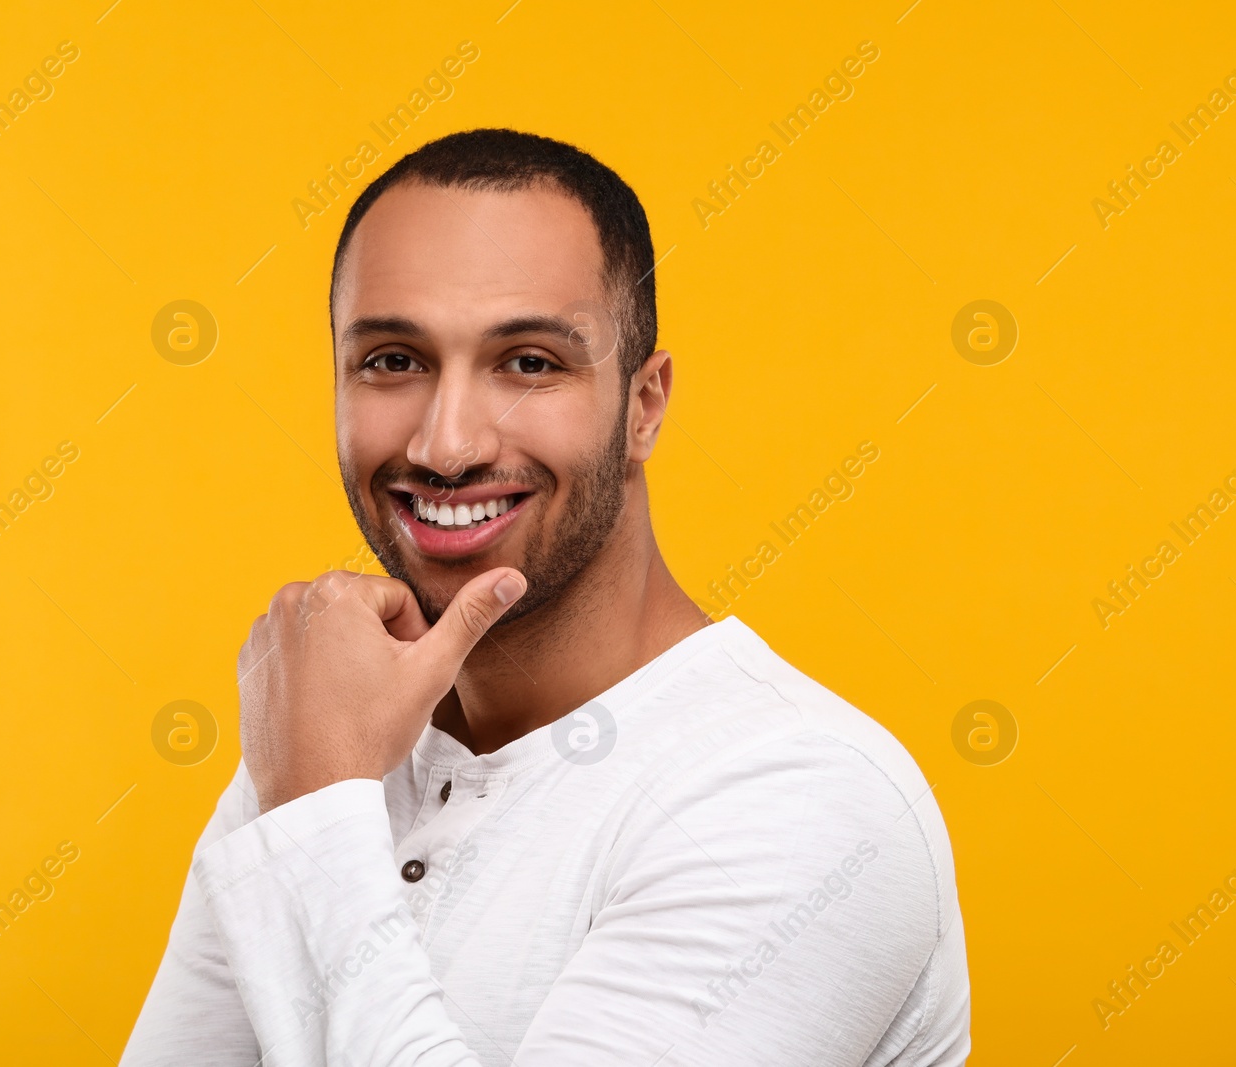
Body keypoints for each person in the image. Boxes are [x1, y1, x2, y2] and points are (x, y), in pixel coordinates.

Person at [120, 128, 969, 1065]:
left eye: (528, 363)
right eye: (393, 360)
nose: (447, 446)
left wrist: (315, 809)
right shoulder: (328, 745)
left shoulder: (802, 793)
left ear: (644, 405)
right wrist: (318, 787)